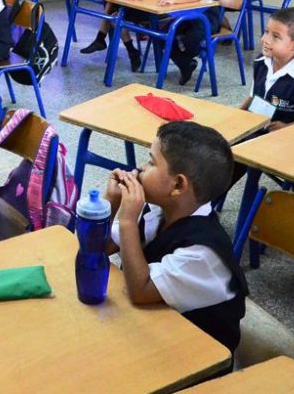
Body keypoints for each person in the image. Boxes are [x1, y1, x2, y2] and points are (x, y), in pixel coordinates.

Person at [104, 121, 248, 358]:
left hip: (197, 357)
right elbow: (101, 247)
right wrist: (112, 202)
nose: (140, 168)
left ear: (178, 185)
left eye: (151, 162)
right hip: (154, 328)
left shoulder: (204, 254)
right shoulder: (160, 211)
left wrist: (128, 220)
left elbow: (140, 292)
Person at [240, 8, 294, 131]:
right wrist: (236, 114)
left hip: (284, 137)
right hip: (255, 127)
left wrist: (288, 128)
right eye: (266, 31)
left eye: (276, 37)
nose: (265, 40)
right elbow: (253, 96)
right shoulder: (261, 62)